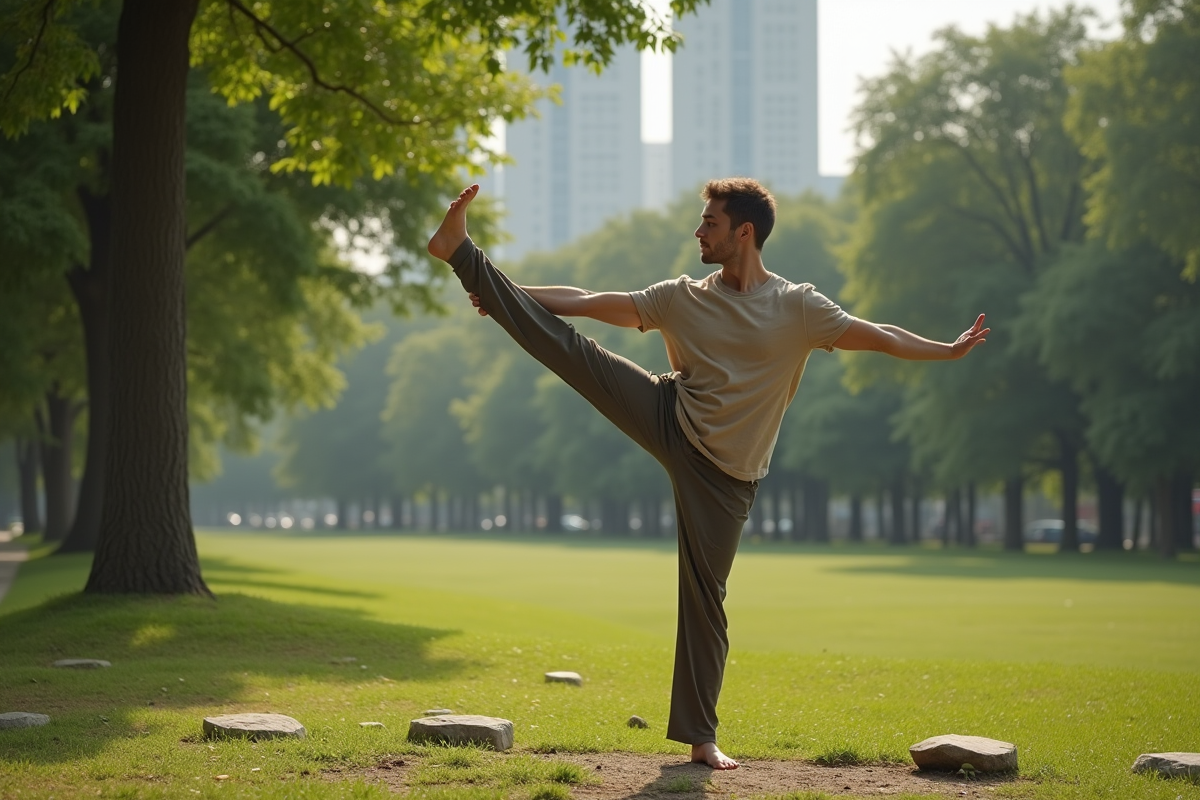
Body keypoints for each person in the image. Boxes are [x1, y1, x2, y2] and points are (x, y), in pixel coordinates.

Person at [427, 178, 988, 770]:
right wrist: (498, 289)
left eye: (710, 223)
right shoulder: (682, 297)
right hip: (669, 414)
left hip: (728, 475)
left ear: (744, 232)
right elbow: (590, 300)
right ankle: (461, 254)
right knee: (573, 350)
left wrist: (947, 350)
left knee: (705, 601)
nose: (698, 231)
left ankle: (701, 737)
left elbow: (882, 337)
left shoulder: (798, 307)